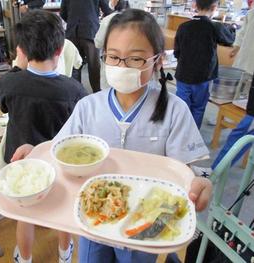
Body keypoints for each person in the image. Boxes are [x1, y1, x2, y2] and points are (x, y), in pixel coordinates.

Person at [11, 9, 213, 263]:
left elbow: (192, 171)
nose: (122, 66)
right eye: (114, 57)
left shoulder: (174, 111)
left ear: (157, 61)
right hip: (93, 216)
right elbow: (58, 151)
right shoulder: (88, 106)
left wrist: (201, 182)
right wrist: (35, 155)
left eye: (135, 59)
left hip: (143, 222)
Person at [0, 10, 88, 263]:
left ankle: (24, 258)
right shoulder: (74, 90)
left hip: (20, 163)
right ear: (60, 51)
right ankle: (65, 254)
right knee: (63, 211)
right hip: (57, 164)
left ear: (21, 50)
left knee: (25, 216)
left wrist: (16, 67)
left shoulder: (9, 84)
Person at [174, 0, 234, 129]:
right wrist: (232, 28)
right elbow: (229, 39)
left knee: (181, 107)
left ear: (195, 6)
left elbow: (177, 52)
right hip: (204, 77)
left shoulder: (183, 26)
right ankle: (193, 136)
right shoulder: (215, 26)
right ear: (214, 7)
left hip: (183, 74)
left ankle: (178, 133)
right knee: (199, 108)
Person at [60, 0, 112, 93]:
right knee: (93, 66)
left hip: (72, 32)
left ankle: (76, 93)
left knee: (75, 66)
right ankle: (96, 92)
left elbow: (63, 12)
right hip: (90, 31)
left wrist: (73, 20)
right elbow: (107, 10)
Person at [230, 6, 254, 74]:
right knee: (244, 75)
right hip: (247, 55)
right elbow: (242, 32)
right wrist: (237, 46)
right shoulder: (251, 13)